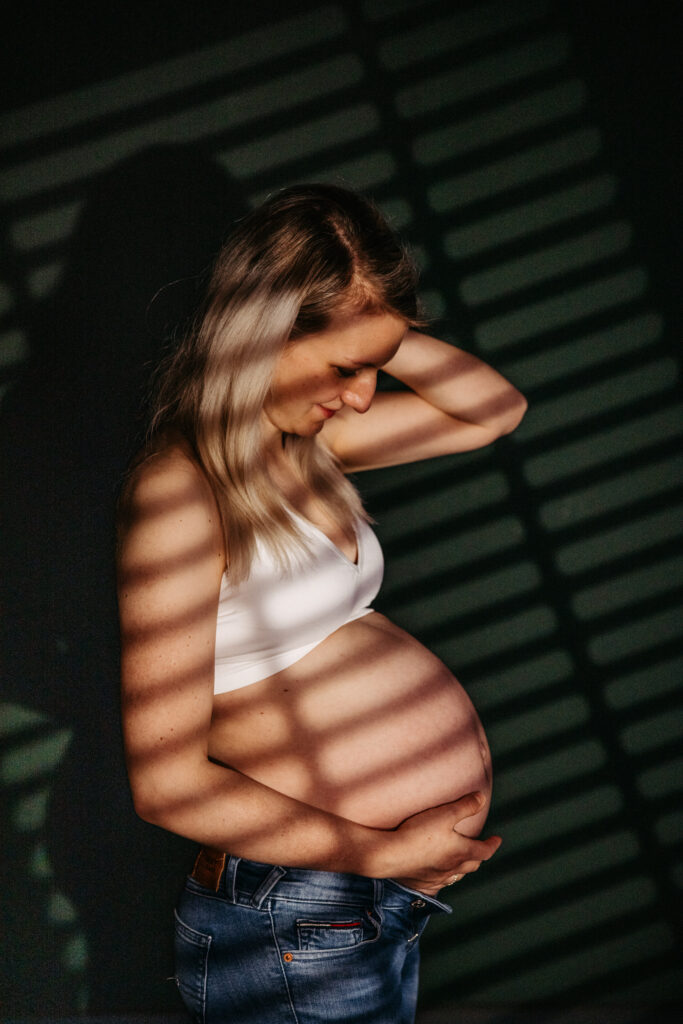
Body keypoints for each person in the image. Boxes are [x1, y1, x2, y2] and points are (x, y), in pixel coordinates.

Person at [116, 183, 527, 1023]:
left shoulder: (309, 445)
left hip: (347, 903)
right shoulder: (181, 496)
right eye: (347, 367)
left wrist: (375, 325)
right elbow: (166, 783)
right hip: (298, 907)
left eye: (377, 367)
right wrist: (379, 850)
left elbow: (493, 411)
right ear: (263, 334)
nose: (366, 395)